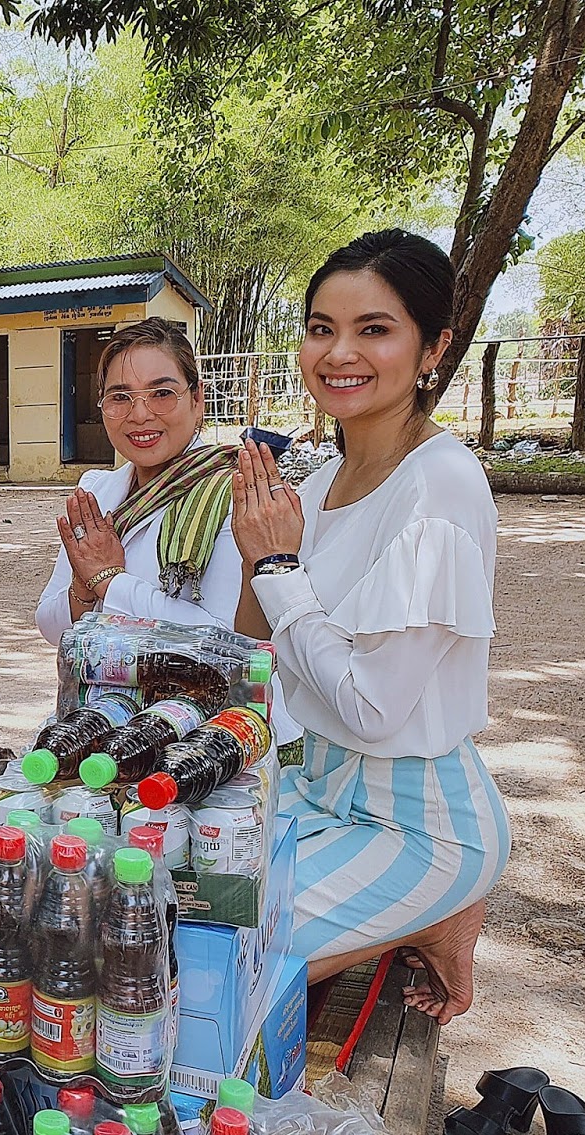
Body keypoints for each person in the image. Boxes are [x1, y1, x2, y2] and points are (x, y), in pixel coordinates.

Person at [233, 229, 508, 1025]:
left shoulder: (439, 487)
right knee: (154, 896)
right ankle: (414, 923)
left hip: (418, 825)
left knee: (210, 968)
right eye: (322, 328)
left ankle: (437, 909)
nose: (339, 353)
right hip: (317, 792)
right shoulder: (324, 480)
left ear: (435, 348)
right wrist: (255, 548)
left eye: (374, 329)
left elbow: (372, 708)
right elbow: (255, 652)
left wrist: (280, 567)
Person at [34, 317, 299, 747]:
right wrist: (83, 587)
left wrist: (109, 582)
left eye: (162, 393)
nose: (140, 414)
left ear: (197, 399)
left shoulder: (235, 495)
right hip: (103, 721)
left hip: (209, 735)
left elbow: (227, 645)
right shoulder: (98, 491)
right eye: (120, 397)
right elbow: (51, 628)